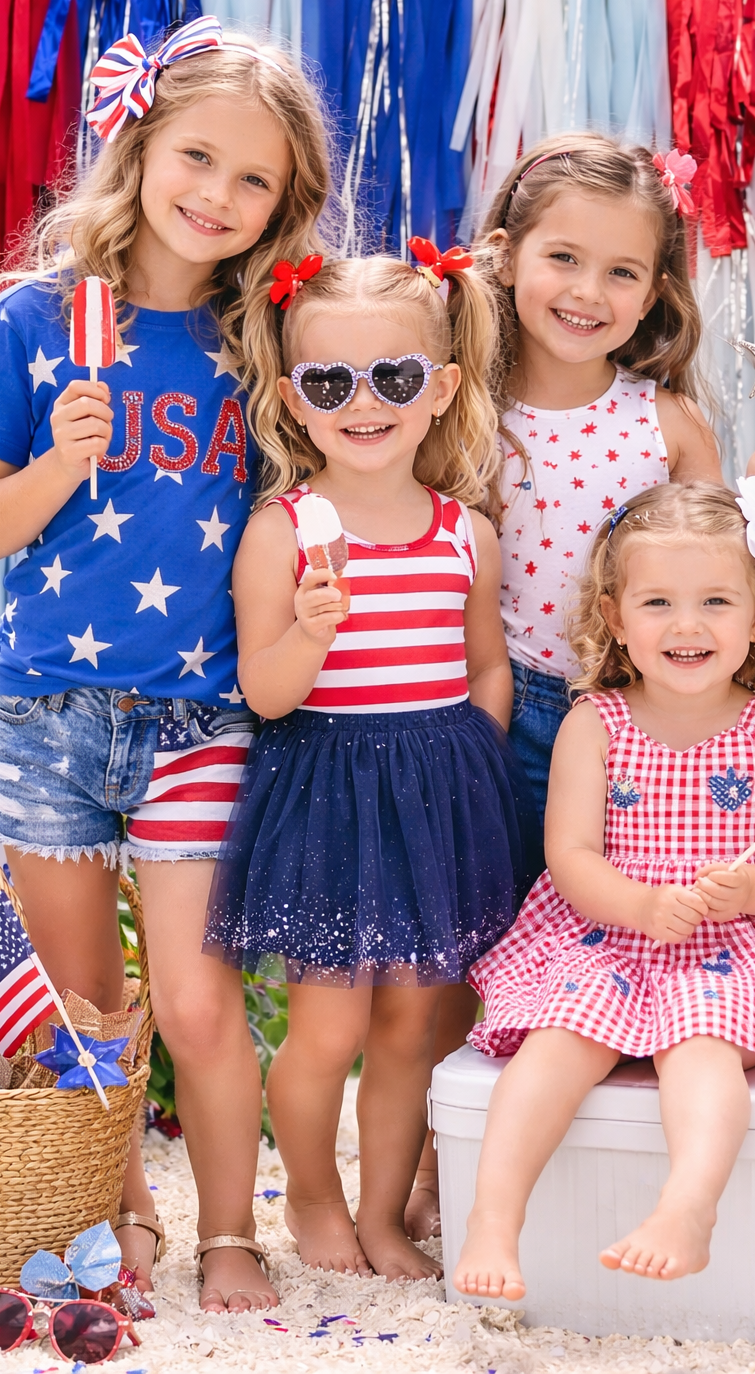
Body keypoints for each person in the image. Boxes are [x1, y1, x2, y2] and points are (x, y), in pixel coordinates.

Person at [0, 16, 332, 1314]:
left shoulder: (269, 340)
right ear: (141, 141)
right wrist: (60, 457)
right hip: (50, 713)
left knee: (200, 1005)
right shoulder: (32, 319)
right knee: (83, 1008)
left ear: (286, 202)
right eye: (197, 157)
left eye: (254, 178)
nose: (217, 194)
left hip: (201, 715)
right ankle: (115, 1215)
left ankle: (228, 1228)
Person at [405, 133, 755, 1243]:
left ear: (656, 292)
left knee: (613, 944)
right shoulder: (457, 405)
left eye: (622, 272)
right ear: (503, 255)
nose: (587, 292)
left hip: (630, 731)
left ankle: (623, 1160)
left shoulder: (662, 422)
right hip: (488, 709)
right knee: (472, 946)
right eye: (563, 259)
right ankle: (449, 1154)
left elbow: (718, 562)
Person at [453, 480, 755, 1300]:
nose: (687, 626)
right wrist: (644, 906)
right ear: (616, 618)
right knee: (558, 1041)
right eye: (657, 602)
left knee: (702, 1041)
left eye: (716, 601)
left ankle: (689, 1205)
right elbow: (571, 857)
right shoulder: (596, 721)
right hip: (611, 931)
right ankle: (494, 1220)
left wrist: (751, 888)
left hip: (737, 947)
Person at [202, 246, 537, 1283]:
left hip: (437, 796)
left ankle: (385, 1214)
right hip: (331, 796)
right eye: (329, 382)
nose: (363, 404)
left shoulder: (466, 533)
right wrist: (309, 630)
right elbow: (264, 691)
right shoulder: (283, 533)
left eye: (391, 378)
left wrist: (468, 761)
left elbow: (488, 665)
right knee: (328, 1026)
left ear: (437, 391)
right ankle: (311, 1192)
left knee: (409, 1029)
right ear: (294, 401)